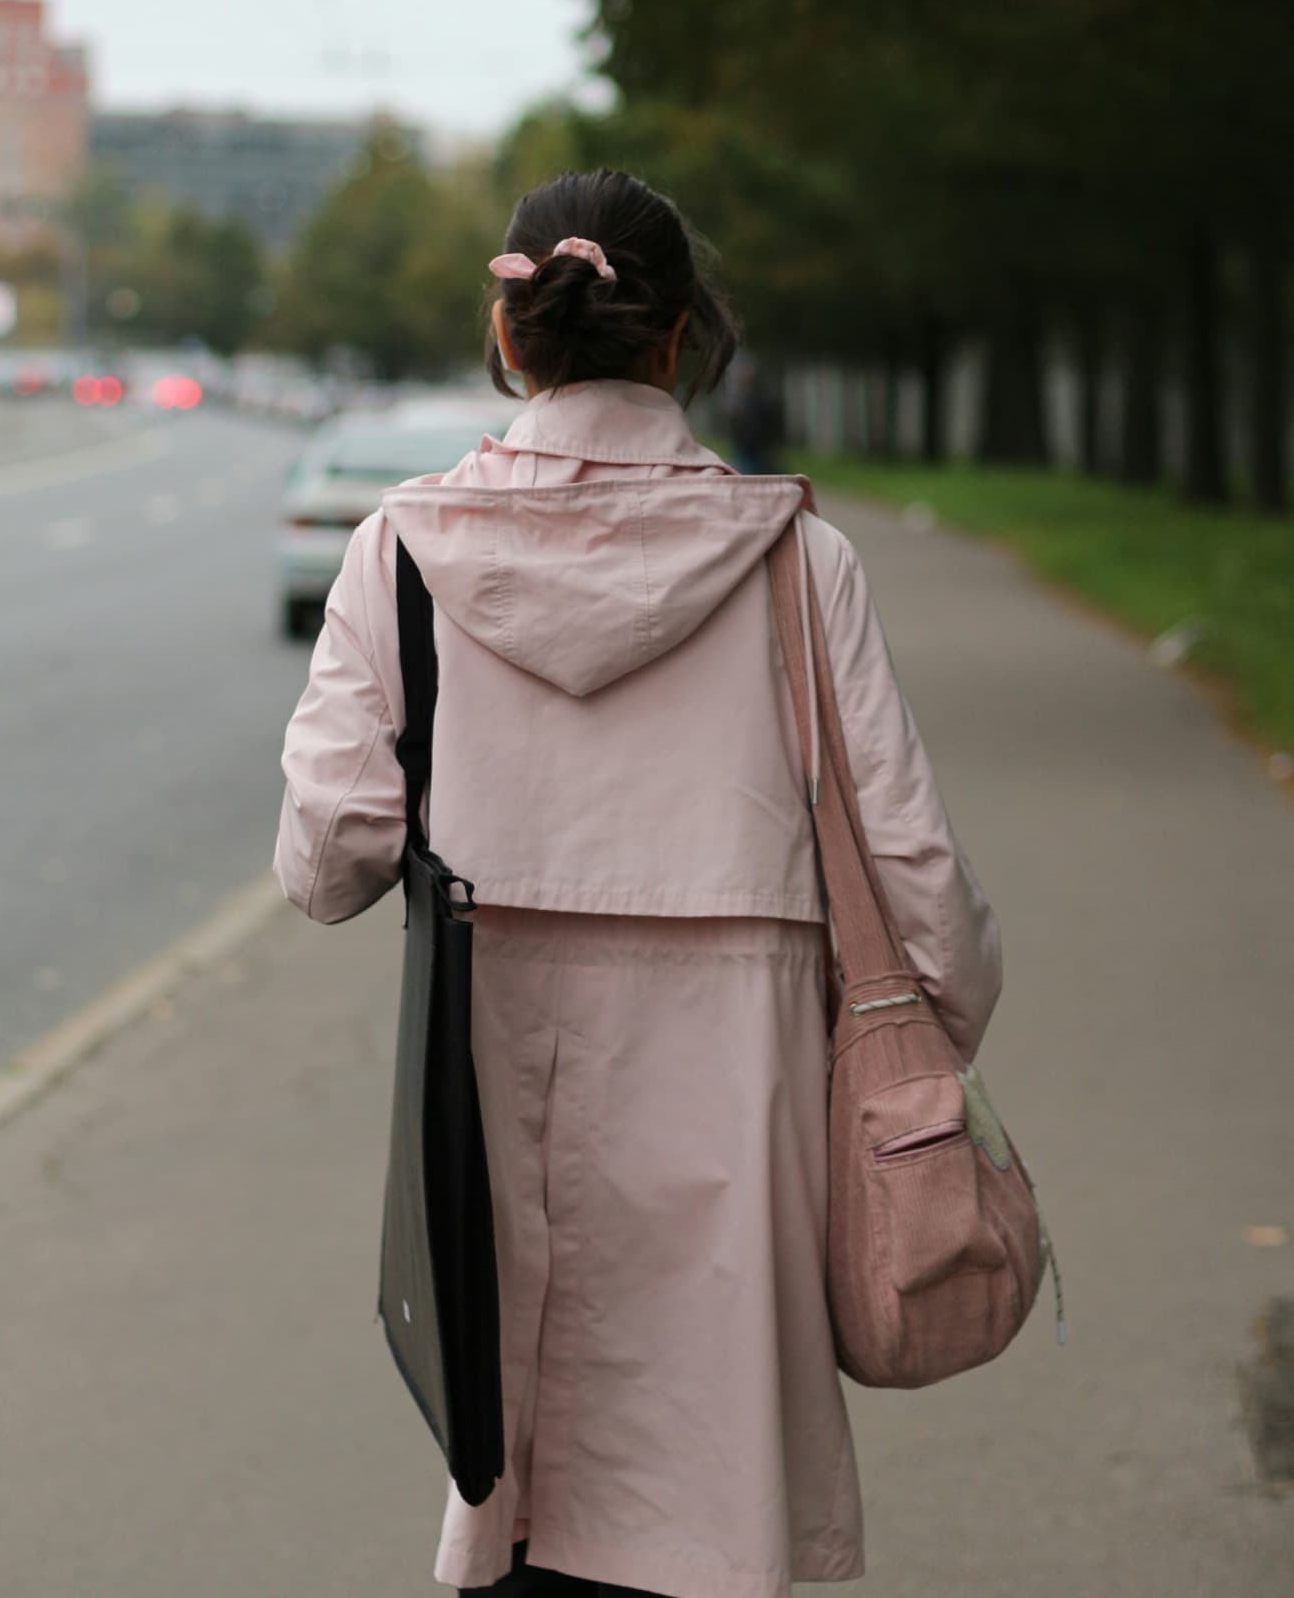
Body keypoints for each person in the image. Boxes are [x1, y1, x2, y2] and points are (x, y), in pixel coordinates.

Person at [274, 170, 1002, 1598]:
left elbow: (327, 861)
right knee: (713, 1479)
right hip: (744, 1070)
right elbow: (909, 858)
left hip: (490, 1074)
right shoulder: (797, 559)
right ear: (678, 343)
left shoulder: (403, 549)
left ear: (510, 336)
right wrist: (937, 1042)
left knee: (532, 1464)